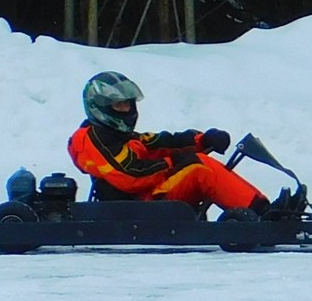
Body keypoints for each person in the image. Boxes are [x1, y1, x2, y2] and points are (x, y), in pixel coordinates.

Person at [67, 71, 294, 219]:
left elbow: (161, 142)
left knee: (198, 161)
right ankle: (264, 214)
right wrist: (174, 162)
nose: (127, 110)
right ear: (101, 107)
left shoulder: (122, 136)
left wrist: (202, 140)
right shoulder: (90, 139)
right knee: (198, 169)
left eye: (128, 104)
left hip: (147, 200)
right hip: (137, 206)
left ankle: (264, 210)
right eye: (120, 105)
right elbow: (130, 177)